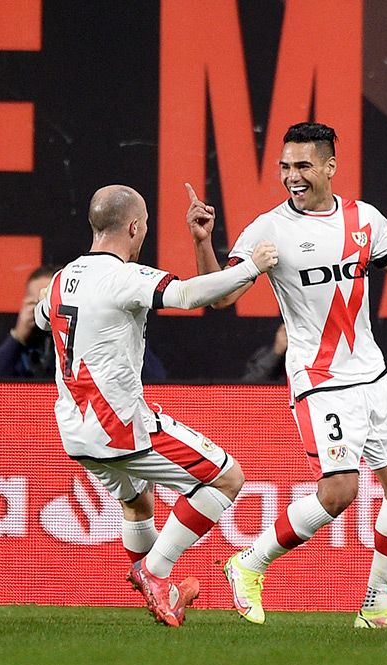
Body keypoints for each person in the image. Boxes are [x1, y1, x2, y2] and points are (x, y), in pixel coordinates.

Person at [186, 121, 387, 630]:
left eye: (302, 166)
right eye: (285, 166)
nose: (291, 177)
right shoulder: (269, 228)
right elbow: (223, 296)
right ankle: (247, 564)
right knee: (340, 491)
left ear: (329, 167)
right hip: (320, 379)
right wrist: (203, 242)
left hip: (373, 373)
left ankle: (378, 606)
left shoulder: (364, 219)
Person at [35, 185, 278, 627]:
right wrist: (253, 269)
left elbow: (39, 318)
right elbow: (186, 296)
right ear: (133, 226)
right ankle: (154, 572)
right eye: (144, 223)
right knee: (226, 478)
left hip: (75, 428)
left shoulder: (60, 279)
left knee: (137, 503)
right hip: (119, 426)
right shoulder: (122, 276)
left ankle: (156, 594)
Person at [0, 265, 169, 381]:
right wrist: (18, 337)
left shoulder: (94, 338)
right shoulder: (22, 349)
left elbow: (156, 381)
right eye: (37, 303)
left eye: (51, 302)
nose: (46, 311)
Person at [0, 266, 59, 379]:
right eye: (36, 303)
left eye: (47, 303)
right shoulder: (21, 344)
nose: (42, 311)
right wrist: (18, 336)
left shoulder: (74, 336)